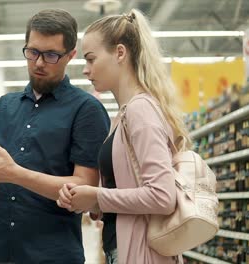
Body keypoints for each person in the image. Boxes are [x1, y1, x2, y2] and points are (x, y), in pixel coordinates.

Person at [0, 8, 110, 264]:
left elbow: (83, 188)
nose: (38, 62)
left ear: (71, 55)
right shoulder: (3, 106)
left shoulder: (86, 110)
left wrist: (13, 173)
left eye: (51, 55)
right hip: (1, 252)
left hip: (53, 256)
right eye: (32, 52)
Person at [56, 9, 191, 264]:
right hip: (126, 249)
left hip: (144, 253)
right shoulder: (124, 115)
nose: (86, 70)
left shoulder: (141, 110)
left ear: (120, 53)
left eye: (91, 59)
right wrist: (91, 202)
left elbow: (162, 196)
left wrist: (97, 197)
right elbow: (129, 189)